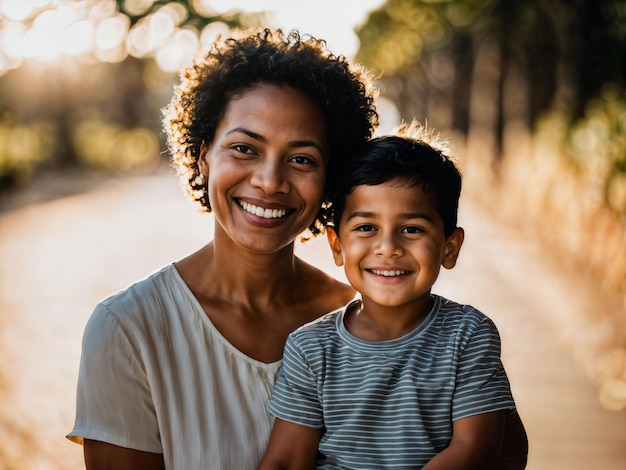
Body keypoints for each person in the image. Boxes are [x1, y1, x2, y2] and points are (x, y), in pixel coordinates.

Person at [66, 28, 379, 469]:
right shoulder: (129, 329)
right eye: (244, 148)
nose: (270, 181)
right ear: (203, 156)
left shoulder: (369, 323)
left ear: (330, 177)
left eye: (301, 158)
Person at [259, 122, 528, 469]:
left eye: (412, 229)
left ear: (450, 247)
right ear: (337, 246)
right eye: (366, 228)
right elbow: (285, 460)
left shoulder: (468, 335)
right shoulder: (311, 348)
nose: (388, 248)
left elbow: (475, 450)